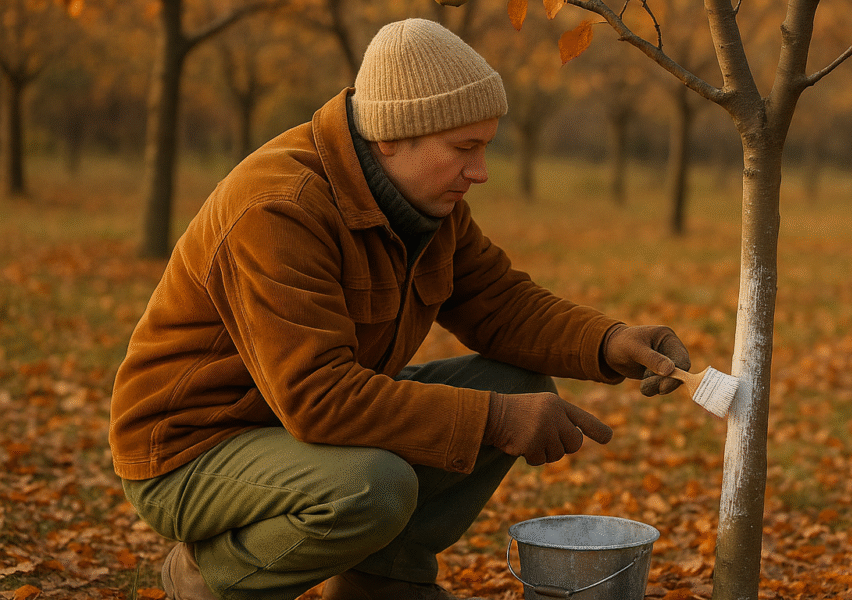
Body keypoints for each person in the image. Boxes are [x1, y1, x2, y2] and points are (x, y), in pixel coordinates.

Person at [109, 18, 691, 600]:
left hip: (292, 428)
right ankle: (207, 576)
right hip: (191, 448)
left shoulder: (424, 203)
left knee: (514, 382)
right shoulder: (278, 207)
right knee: (372, 486)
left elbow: (500, 304)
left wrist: (611, 341)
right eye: (464, 149)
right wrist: (498, 419)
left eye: (484, 146)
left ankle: (381, 582)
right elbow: (318, 398)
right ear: (390, 135)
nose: (480, 171)